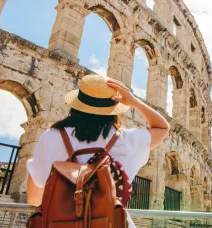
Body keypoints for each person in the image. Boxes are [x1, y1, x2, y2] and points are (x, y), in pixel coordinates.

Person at [26, 74, 170, 227]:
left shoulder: (51, 137)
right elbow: (162, 128)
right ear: (114, 110)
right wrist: (134, 102)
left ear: (77, 104)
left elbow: (34, 199)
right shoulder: (128, 140)